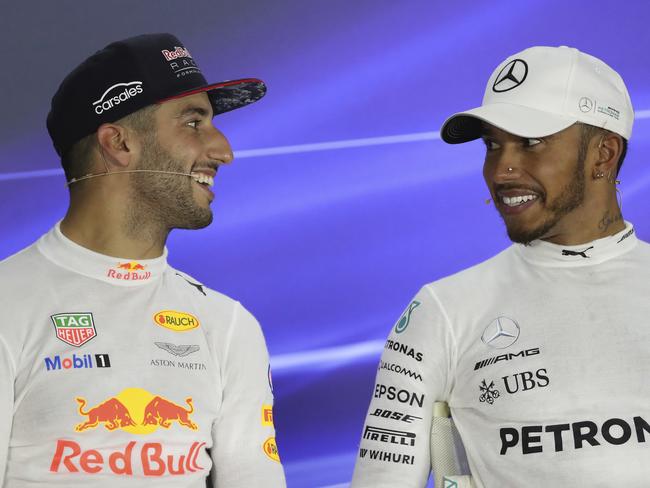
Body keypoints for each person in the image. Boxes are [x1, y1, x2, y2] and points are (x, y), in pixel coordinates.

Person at [351, 45, 650, 487]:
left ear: (603, 154)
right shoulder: (443, 311)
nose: (502, 169)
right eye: (493, 145)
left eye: (531, 142)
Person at [0, 33, 286, 487]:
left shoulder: (228, 323)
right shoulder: (7, 303)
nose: (224, 151)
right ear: (119, 143)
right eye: (194, 123)